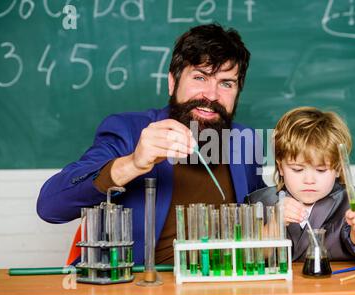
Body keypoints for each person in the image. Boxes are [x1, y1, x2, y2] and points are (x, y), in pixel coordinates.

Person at [37, 24, 266, 265]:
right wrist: (132, 164)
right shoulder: (129, 131)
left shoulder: (245, 141)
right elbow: (50, 207)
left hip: (222, 286)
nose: (211, 95)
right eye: (200, 77)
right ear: (172, 82)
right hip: (139, 287)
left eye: (226, 83)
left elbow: (265, 214)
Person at [245, 107, 355, 261]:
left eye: (321, 170)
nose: (309, 180)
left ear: (339, 168)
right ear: (280, 167)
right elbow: (254, 256)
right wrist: (275, 222)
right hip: (278, 285)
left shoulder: (352, 201)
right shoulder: (259, 203)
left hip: (335, 284)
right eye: (297, 169)